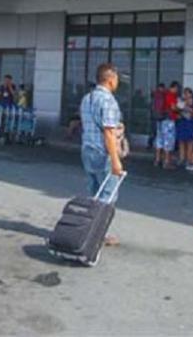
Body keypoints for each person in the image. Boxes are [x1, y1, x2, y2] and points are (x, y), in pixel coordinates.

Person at [79, 63, 125, 246]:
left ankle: (89, 230)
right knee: (107, 196)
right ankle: (98, 235)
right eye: (117, 79)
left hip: (87, 150)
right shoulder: (108, 101)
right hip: (102, 153)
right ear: (111, 79)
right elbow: (108, 133)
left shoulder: (87, 98)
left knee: (94, 193)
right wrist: (115, 160)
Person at [175, 87, 193, 171]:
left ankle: (189, 159)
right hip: (182, 122)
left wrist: (189, 108)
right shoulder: (181, 101)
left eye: (188, 93)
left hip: (189, 122)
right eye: (185, 93)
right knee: (181, 141)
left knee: (189, 142)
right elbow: (177, 109)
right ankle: (181, 158)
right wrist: (182, 106)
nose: (187, 95)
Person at [151, 83, 167, 163]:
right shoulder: (163, 96)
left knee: (157, 137)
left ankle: (157, 158)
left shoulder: (155, 96)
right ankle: (162, 158)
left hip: (156, 118)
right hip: (162, 118)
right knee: (163, 139)